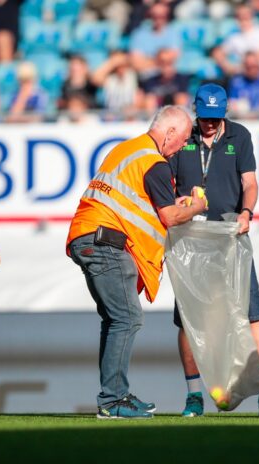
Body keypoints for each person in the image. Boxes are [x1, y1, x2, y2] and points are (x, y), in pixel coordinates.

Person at [66, 106, 207, 419]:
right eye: (183, 139)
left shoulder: (127, 149)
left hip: (88, 236)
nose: (183, 145)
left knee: (117, 319)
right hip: (105, 242)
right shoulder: (155, 163)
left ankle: (115, 395)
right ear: (169, 132)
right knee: (128, 318)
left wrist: (173, 203)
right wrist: (195, 207)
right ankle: (113, 400)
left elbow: (140, 201)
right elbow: (169, 217)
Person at [168, 83, 259, 417]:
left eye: (215, 117)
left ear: (225, 112)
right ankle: (194, 395)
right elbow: (168, 184)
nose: (209, 123)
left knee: (251, 312)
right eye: (204, 117)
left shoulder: (239, 135)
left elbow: (249, 183)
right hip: (190, 238)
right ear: (195, 111)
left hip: (230, 234)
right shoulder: (183, 137)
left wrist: (248, 213)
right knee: (189, 319)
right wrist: (176, 202)